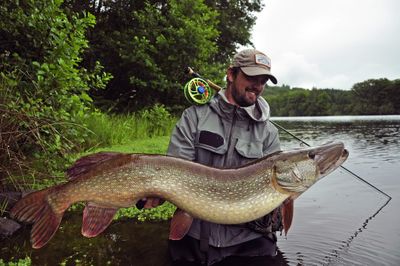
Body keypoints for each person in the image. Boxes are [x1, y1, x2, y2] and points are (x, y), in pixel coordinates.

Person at [143, 49, 284, 266]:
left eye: (263, 80)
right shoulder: (195, 117)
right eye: (251, 77)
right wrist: (153, 193)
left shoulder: (268, 133)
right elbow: (174, 170)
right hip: (194, 240)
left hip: (250, 244)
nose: (257, 85)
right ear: (231, 74)